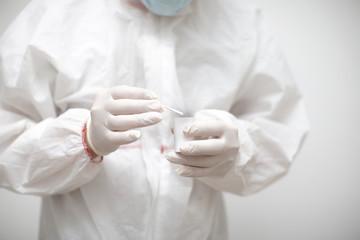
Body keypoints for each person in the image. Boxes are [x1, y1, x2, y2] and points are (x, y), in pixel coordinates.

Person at [0, 0, 309, 239]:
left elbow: (279, 127)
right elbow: (5, 138)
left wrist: (238, 149)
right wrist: (83, 139)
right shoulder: (56, 15)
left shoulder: (239, 20)